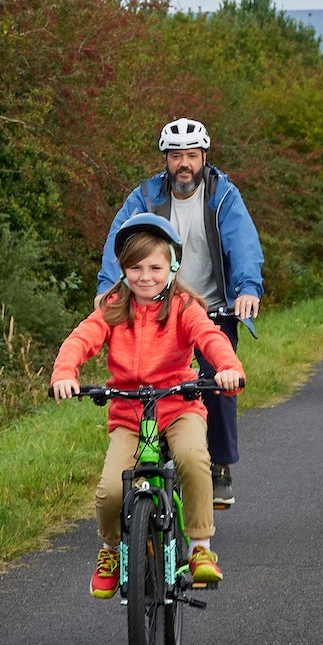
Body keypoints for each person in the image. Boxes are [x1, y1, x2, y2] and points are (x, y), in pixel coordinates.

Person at [53, 214, 245, 599]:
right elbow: (81, 338)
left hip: (179, 404)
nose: (145, 276)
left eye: (155, 267)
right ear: (122, 270)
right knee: (110, 490)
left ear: (172, 266)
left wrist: (227, 367)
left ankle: (199, 548)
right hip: (128, 412)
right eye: (135, 267)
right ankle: (109, 551)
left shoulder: (185, 306)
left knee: (193, 458)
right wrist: (65, 371)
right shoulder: (112, 307)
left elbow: (211, 338)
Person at [98, 118, 263, 510]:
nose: (183, 164)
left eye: (191, 155)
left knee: (216, 383)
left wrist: (247, 290)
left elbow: (243, 244)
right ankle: (145, 457)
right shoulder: (144, 197)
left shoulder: (223, 195)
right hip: (155, 306)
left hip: (209, 307)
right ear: (165, 160)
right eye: (176, 156)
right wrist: (108, 288)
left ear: (204, 157)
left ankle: (219, 464)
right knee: (145, 385)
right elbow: (117, 241)